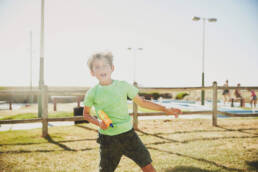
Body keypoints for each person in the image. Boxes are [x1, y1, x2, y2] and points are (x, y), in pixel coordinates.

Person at [83, 52, 182, 172]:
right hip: (108, 140)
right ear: (92, 72)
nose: (102, 69)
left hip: (128, 136)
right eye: (97, 67)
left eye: (105, 65)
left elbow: (142, 102)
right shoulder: (92, 93)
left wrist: (165, 109)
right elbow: (86, 114)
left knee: (148, 166)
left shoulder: (123, 86)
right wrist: (99, 123)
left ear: (112, 68)